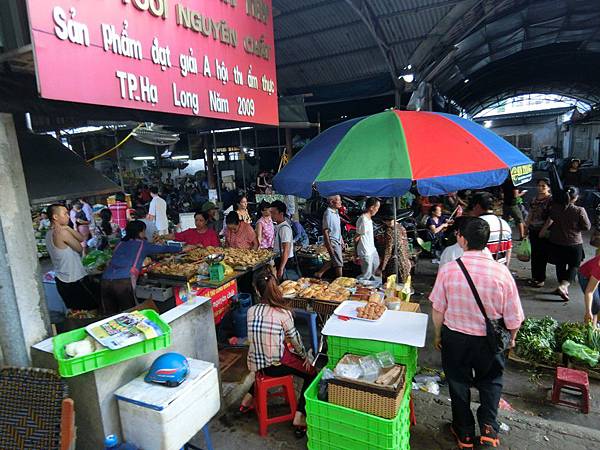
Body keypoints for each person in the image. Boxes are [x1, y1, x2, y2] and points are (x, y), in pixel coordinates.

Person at [430, 217, 524, 449]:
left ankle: (464, 434)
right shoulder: (502, 273)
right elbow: (514, 316)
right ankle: (489, 429)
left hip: (456, 338)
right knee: (491, 382)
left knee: (458, 382)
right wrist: (511, 338)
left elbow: (438, 309)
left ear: (462, 239)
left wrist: (438, 335)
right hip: (490, 341)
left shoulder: (449, 270)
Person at [239, 267, 316, 437]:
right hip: (275, 366)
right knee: (312, 373)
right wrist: (305, 357)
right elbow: (295, 340)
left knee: (266, 358)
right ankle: (300, 417)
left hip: (257, 364)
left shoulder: (251, 311)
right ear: (276, 288)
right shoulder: (283, 313)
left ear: (257, 290)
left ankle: (247, 400)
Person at [101, 221, 182, 314]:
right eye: (144, 231)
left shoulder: (120, 243)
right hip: (123, 282)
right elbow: (163, 249)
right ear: (140, 232)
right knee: (129, 313)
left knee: (109, 314)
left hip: (105, 280)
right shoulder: (143, 244)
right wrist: (181, 248)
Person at [540, 186, 591, 301]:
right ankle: (564, 286)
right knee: (574, 266)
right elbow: (587, 227)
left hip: (556, 242)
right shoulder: (579, 210)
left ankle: (561, 287)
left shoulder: (555, 208)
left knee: (560, 265)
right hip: (574, 243)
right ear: (576, 197)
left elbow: (549, 218)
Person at [45, 204, 99, 310]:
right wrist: (66, 230)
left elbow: (80, 238)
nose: (68, 216)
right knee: (90, 311)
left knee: (77, 312)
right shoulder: (61, 233)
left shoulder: (49, 233)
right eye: (65, 214)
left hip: (62, 279)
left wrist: (67, 228)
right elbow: (79, 247)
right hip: (74, 280)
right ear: (55, 217)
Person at [469, 192, 512, 267]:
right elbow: (508, 250)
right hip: (500, 269)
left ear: (477, 206)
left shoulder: (474, 224)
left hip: (480, 269)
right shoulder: (504, 224)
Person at [524, 178, 552, 287]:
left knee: (542, 255)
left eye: (543, 186)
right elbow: (530, 213)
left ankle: (541, 278)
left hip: (544, 231)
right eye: (539, 185)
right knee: (535, 254)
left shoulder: (550, 200)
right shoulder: (534, 199)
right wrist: (526, 226)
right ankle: (535, 277)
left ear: (548, 187)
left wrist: (544, 230)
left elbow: (551, 218)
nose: (540, 188)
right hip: (533, 229)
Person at [375, 204, 412, 281]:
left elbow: (388, 251)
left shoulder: (390, 231)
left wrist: (381, 268)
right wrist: (408, 260)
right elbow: (406, 245)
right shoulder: (401, 227)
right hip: (405, 262)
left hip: (395, 265)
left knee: (392, 288)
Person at [315, 195, 344, 279]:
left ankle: (319, 273)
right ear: (332, 202)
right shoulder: (328, 214)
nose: (340, 202)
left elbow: (337, 229)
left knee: (335, 259)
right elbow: (325, 231)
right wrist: (329, 245)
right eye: (339, 200)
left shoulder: (336, 212)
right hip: (332, 240)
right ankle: (340, 281)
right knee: (339, 262)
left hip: (337, 240)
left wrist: (341, 239)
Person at [271, 200, 299, 280]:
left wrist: (281, 268)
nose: (271, 215)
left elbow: (286, 249)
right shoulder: (279, 226)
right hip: (281, 259)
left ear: (281, 213)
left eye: (274, 213)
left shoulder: (284, 229)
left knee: (285, 286)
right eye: (271, 212)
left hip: (284, 261)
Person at [355, 197, 381, 281]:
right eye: (377, 207)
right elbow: (356, 238)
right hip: (365, 251)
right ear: (371, 207)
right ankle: (357, 288)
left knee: (375, 269)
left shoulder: (369, 218)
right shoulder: (363, 220)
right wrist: (355, 254)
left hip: (372, 249)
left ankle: (373, 289)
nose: (377, 210)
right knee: (366, 276)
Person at [577, 255, 600, 326]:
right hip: (585, 276)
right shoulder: (598, 269)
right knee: (595, 304)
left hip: (596, 276)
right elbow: (589, 292)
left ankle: (597, 323)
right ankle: (592, 325)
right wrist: (588, 311)